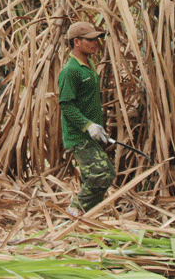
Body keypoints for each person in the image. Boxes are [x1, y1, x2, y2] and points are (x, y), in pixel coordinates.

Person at [58, 20, 116, 217]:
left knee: (106, 173)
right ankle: (74, 211)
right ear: (77, 42)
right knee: (101, 174)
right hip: (79, 136)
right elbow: (66, 105)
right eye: (90, 40)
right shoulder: (70, 71)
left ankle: (85, 215)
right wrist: (88, 125)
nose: (95, 43)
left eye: (96, 39)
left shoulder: (87, 65)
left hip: (92, 134)